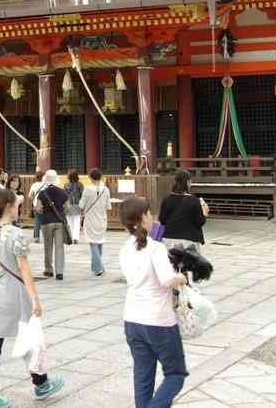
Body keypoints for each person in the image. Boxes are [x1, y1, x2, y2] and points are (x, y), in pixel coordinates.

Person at [0, 188, 65, 407]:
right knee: (29, 340)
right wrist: (36, 300)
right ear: (8, 207)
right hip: (15, 294)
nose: (19, 207)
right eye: (16, 204)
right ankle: (41, 383)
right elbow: (24, 270)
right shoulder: (14, 234)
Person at [120, 196, 189, 407]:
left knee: (142, 376)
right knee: (176, 374)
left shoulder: (125, 249)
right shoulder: (155, 248)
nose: (152, 216)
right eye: (149, 213)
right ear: (142, 218)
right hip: (158, 321)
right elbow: (168, 280)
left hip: (132, 318)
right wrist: (181, 277)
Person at [158, 170, 209, 250]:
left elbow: (162, 220)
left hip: (168, 238)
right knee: (187, 262)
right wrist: (205, 213)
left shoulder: (167, 199)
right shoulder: (194, 200)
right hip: (188, 240)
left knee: (171, 262)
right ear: (188, 182)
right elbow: (199, 222)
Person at [36, 169, 69, 280]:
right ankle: (59, 272)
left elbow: (38, 209)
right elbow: (68, 208)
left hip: (46, 222)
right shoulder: (62, 192)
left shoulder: (42, 193)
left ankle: (49, 270)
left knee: (48, 246)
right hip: (59, 222)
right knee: (59, 247)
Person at [80, 168, 111, 276]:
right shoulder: (106, 189)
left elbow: (81, 205)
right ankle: (95, 266)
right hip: (102, 218)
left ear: (91, 178)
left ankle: (98, 267)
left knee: (93, 242)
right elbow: (108, 206)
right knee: (99, 241)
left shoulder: (87, 189)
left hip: (90, 218)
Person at [65, 170, 84, 244]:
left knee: (69, 222)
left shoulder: (66, 184)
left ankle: (71, 236)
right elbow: (83, 195)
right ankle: (75, 238)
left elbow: (64, 195)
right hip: (77, 204)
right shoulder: (80, 185)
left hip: (68, 204)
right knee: (77, 221)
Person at [27, 170, 45, 242]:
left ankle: (36, 237)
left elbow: (30, 196)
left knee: (37, 221)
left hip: (36, 205)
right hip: (45, 205)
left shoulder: (34, 185)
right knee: (45, 221)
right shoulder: (46, 184)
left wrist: (34, 200)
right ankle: (46, 236)